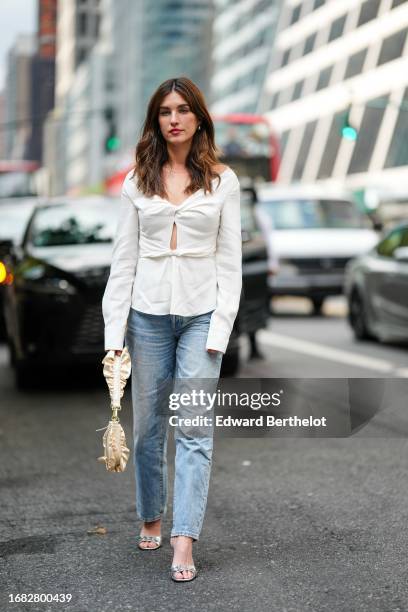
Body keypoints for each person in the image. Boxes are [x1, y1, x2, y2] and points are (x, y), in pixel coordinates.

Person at [102, 77, 242, 582]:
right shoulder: (136, 182)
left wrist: (220, 332)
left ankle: (183, 540)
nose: (175, 118)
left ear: (199, 118)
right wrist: (113, 337)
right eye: (165, 111)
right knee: (147, 433)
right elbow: (123, 261)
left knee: (195, 430)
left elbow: (231, 264)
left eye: (184, 110)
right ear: (155, 120)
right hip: (147, 315)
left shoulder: (223, 181)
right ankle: (151, 510)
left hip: (203, 314)